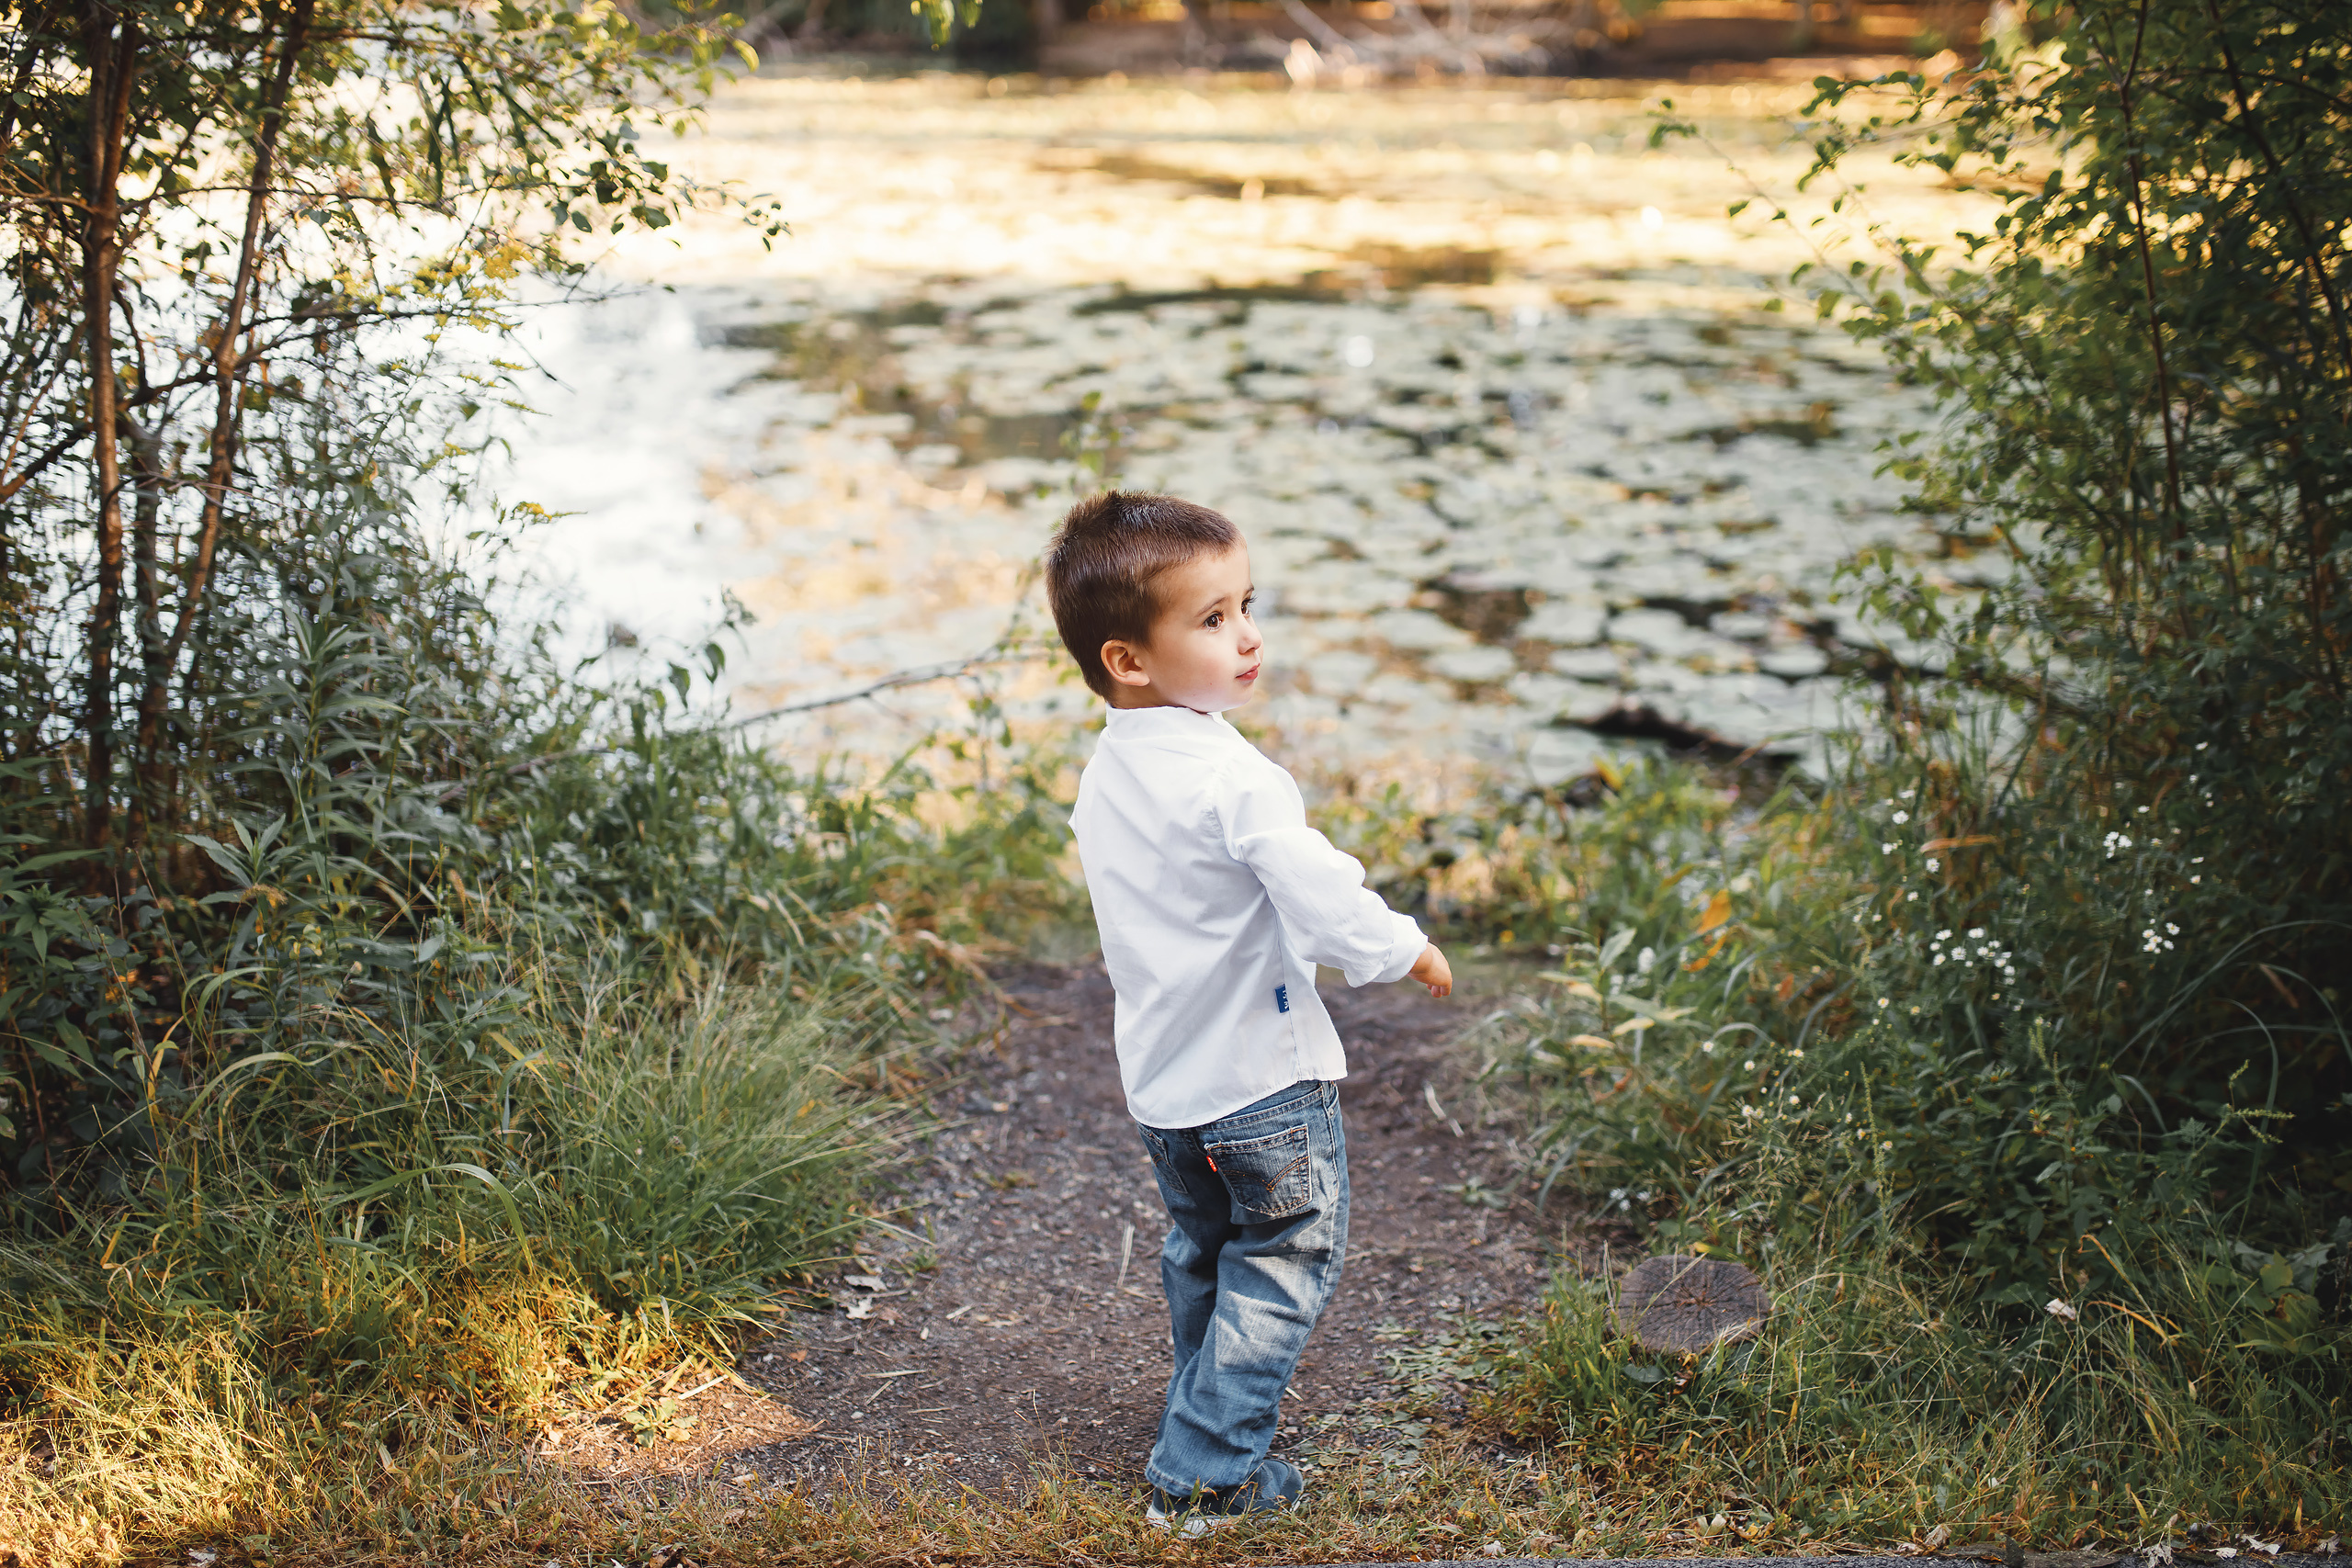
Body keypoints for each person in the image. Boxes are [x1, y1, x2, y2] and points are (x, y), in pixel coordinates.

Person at [1046, 490, 1453, 1533]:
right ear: (1128, 659)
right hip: (1262, 1081)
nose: (1248, 635)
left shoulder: (1108, 772)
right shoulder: (1235, 777)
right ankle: (1203, 1476)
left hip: (1169, 1084)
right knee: (1282, 1263)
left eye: (1247, 604)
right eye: (1213, 618)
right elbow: (1312, 885)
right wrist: (1398, 946)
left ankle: (1207, 1418)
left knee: (1204, 1254)